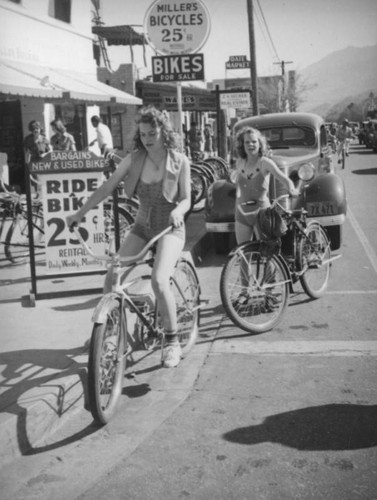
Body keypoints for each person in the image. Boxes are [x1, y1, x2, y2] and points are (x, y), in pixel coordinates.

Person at [66, 106, 191, 368]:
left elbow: (186, 198)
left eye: (152, 132)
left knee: (159, 280)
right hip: (142, 227)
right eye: (143, 133)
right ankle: (108, 333)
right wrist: (79, 213)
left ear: (164, 131)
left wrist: (179, 211)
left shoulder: (180, 160)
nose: (147, 138)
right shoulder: (134, 159)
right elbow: (106, 188)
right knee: (112, 275)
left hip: (170, 228)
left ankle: (171, 341)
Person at [233, 126, 299, 245]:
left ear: (260, 144)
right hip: (241, 213)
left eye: (254, 141)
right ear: (242, 145)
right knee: (242, 254)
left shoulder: (265, 163)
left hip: (261, 214)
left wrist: (292, 189)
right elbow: (237, 185)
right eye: (247, 142)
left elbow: (285, 179)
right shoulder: (239, 162)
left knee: (267, 254)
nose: (250, 145)